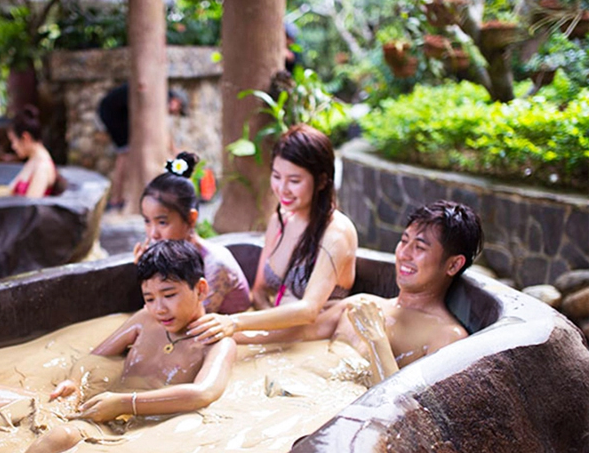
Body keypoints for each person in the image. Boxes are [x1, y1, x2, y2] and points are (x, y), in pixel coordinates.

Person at [14, 240, 237, 453]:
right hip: (106, 405)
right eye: (149, 298)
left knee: (61, 436)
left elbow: (203, 393)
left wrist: (125, 403)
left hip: (141, 426)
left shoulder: (217, 344)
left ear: (201, 289)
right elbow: (95, 357)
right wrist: (74, 381)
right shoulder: (145, 320)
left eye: (169, 294)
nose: (159, 308)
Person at [188, 124, 358, 342]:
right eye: (277, 176)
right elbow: (259, 291)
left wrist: (235, 323)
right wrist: (266, 331)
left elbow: (308, 310)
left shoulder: (337, 232)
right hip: (278, 335)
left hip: (315, 341)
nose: (282, 188)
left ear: (322, 181)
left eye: (294, 181)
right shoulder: (280, 221)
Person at [328, 200, 484, 385]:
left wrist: (376, 339)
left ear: (453, 265)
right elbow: (299, 333)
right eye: (403, 241)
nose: (404, 254)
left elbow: (401, 401)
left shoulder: (447, 337)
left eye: (419, 247)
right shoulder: (362, 306)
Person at [134, 151, 251, 315]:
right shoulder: (169, 257)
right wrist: (146, 271)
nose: (153, 234)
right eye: (147, 221)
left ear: (191, 218)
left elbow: (189, 320)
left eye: (162, 222)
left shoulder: (215, 264)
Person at [98, 83, 188, 210]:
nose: (174, 113)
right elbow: (162, 130)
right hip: (114, 113)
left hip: (116, 111)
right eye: (177, 110)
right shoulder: (162, 97)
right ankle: (116, 199)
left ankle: (118, 197)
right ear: (176, 101)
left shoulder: (160, 93)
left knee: (126, 153)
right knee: (124, 154)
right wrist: (174, 150)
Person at [7, 105, 63, 198]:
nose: (13, 146)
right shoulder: (34, 160)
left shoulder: (42, 167)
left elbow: (31, 204)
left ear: (25, 137)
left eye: (13, 141)